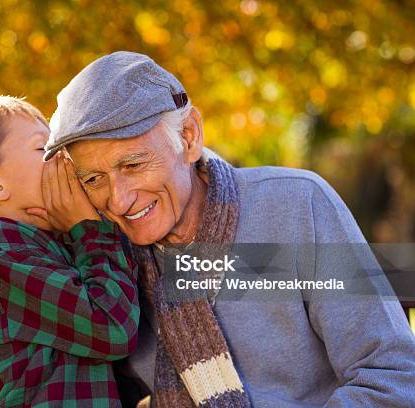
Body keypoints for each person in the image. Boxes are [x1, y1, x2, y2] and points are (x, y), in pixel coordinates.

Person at [42, 52, 415, 407]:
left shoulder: (296, 206)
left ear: (188, 137)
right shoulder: (108, 261)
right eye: (93, 179)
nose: (119, 200)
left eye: (134, 165)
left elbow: (390, 375)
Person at [0, 96, 140, 407]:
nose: (62, 155)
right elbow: (113, 328)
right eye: (44, 148)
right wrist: (89, 228)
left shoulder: (55, 240)